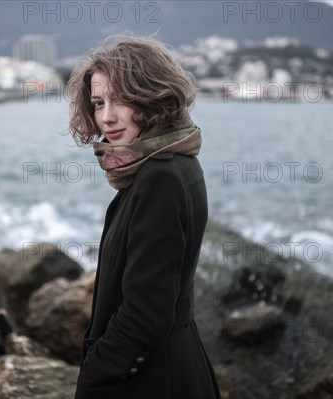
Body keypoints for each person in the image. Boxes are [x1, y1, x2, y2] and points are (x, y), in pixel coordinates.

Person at [68, 34, 221, 399]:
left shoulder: (160, 176)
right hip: (171, 365)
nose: (106, 117)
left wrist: (95, 375)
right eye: (98, 102)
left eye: (120, 99)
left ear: (151, 95)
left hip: (150, 380)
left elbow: (145, 313)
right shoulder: (177, 160)